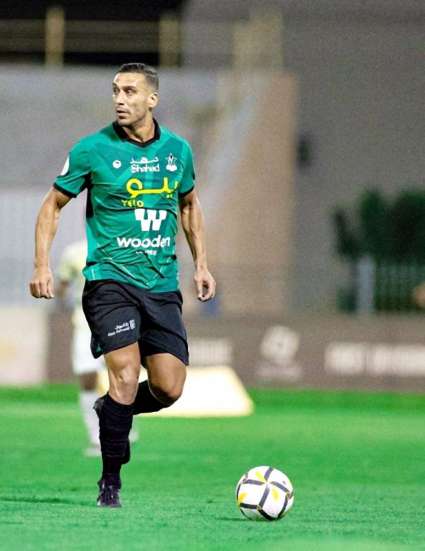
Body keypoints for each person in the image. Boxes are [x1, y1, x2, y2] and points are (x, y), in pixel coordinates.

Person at [30, 62, 216, 508]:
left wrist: (202, 264)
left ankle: (112, 409)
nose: (120, 99)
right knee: (127, 375)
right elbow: (52, 206)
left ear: (152, 99)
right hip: (109, 281)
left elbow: (189, 205)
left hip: (161, 284)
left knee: (169, 388)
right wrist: (42, 265)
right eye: (116, 90)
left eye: (130, 91)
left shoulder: (178, 151)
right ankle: (110, 483)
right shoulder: (92, 149)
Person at [56, 239, 138, 457]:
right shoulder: (74, 251)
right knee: (87, 378)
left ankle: (124, 429)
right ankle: (96, 437)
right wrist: (63, 298)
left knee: (123, 376)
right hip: (85, 324)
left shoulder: (124, 246)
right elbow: (62, 285)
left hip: (118, 321)